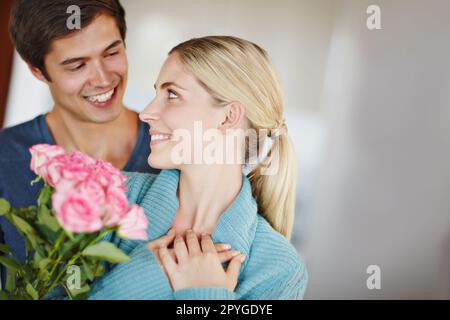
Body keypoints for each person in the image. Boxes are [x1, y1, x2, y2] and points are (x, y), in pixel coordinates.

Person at [86, 36, 308, 299]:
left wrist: (204, 294)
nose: (146, 112)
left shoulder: (280, 270)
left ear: (228, 117)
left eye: (172, 94)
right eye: (157, 93)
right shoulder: (106, 195)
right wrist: (146, 274)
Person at [0, 0, 160, 283]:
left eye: (112, 52)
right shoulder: (5, 158)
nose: (102, 79)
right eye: (77, 66)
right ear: (37, 70)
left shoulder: (175, 151)